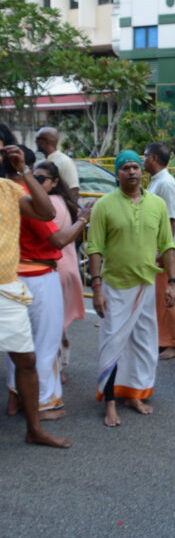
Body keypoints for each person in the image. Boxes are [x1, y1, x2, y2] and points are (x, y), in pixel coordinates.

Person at [86, 150, 175, 426]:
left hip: (146, 286)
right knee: (113, 345)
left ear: (142, 171)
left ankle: (135, 394)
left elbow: (168, 245)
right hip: (114, 288)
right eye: (126, 168)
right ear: (117, 173)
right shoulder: (104, 205)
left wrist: (172, 282)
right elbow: (95, 249)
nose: (132, 172)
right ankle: (110, 401)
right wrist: (97, 287)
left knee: (143, 344)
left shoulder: (157, 204)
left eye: (136, 167)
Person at [5, 155, 91, 418]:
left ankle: (15, 399)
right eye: (33, 176)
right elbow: (59, 239)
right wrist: (83, 220)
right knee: (44, 343)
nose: (34, 181)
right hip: (38, 277)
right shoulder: (25, 200)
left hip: (17, 276)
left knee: (18, 345)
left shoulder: (10, 195)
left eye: (39, 178)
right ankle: (44, 403)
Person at [0, 145, 71, 448]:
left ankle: (34, 430)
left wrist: (25, 172)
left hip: (7, 286)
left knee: (26, 359)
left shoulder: (8, 188)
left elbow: (47, 212)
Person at [33, 160, 89, 383]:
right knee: (57, 322)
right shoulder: (61, 201)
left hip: (55, 269)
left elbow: (55, 239)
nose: (35, 183)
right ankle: (60, 361)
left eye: (40, 179)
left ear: (55, 181)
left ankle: (57, 367)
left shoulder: (49, 205)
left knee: (51, 324)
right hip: (66, 268)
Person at [143, 142, 175, 360]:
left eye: (144, 156)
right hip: (157, 251)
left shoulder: (166, 184)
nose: (142, 161)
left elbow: (169, 220)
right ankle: (164, 339)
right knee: (161, 298)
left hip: (164, 252)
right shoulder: (157, 181)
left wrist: (162, 251)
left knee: (170, 296)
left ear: (153, 158)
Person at [35, 127, 80, 205]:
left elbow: (74, 191)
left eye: (37, 139)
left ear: (46, 141)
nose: (35, 142)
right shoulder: (42, 162)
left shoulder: (65, 161)